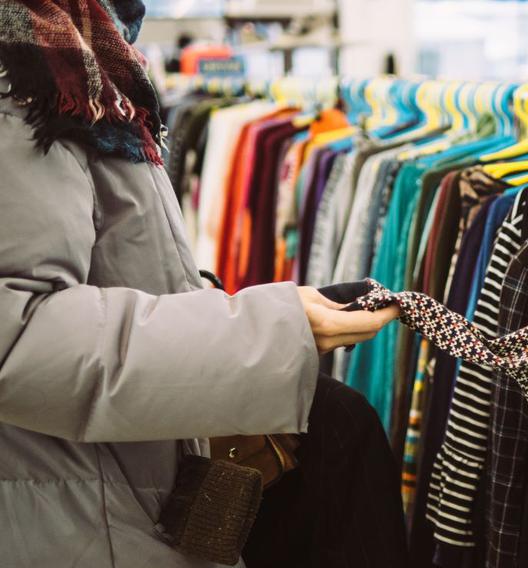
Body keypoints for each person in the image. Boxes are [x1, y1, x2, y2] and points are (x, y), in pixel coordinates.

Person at [0, 1, 398, 567]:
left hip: (106, 500)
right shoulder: (27, 65)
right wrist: (265, 332)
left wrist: (214, 304)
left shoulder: (80, 51)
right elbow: (15, 339)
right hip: (78, 521)